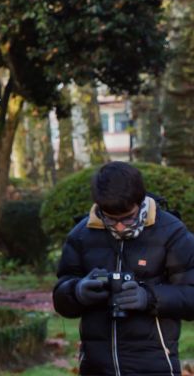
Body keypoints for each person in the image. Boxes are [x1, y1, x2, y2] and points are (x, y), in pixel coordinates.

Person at [53, 161, 194, 375]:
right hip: (96, 366)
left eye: (127, 218)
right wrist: (77, 291)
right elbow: (61, 297)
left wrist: (149, 298)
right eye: (110, 219)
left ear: (140, 201)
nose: (119, 226)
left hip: (155, 365)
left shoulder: (172, 232)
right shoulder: (81, 235)